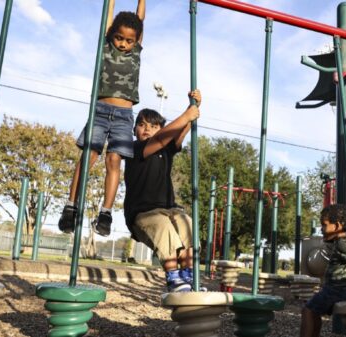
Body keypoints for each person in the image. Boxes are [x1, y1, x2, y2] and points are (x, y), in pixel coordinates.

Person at [59, 0, 146, 237]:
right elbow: (108, 16)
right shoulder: (106, 46)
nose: (124, 44)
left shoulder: (136, 50)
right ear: (112, 35)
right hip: (99, 110)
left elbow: (141, 19)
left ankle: (106, 212)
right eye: (119, 38)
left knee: (114, 160)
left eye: (129, 40)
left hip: (124, 116)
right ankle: (70, 205)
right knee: (89, 155)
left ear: (136, 40)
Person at [124, 90, 201, 292]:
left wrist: (193, 107)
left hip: (170, 209)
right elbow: (159, 141)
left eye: (154, 126)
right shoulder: (134, 149)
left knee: (187, 226)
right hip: (143, 213)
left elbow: (178, 133)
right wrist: (186, 115)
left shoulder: (166, 150)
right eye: (142, 125)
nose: (147, 129)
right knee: (164, 227)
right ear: (134, 130)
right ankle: (173, 279)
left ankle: (188, 277)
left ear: (161, 129)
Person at [300, 204, 346, 337]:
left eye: (324, 225)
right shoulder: (339, 242)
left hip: (337, 291)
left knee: (307, 310)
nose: (321, 229)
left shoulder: (342, 243)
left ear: (337, 226)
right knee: (313, 312)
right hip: (336, 290)